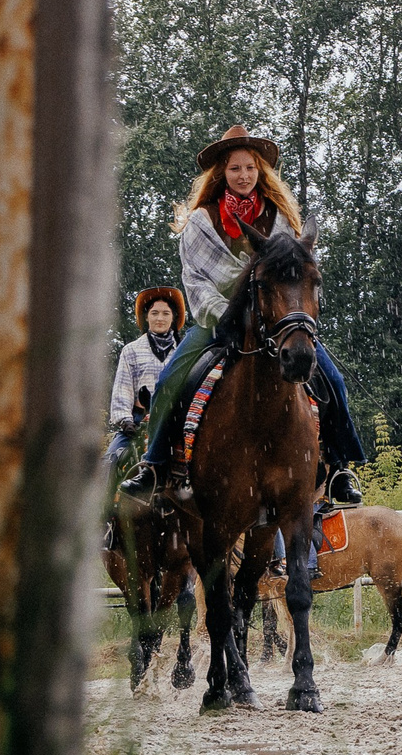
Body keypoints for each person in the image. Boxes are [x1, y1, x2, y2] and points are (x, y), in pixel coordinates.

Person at [121, 125, 364, 506]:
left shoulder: (281, 218)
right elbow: (196, 282)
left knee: (332, 380)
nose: (243, 175)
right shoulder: (200, 222)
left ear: (260, 171)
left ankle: (340, 467)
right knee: (169, 378)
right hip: (215, 320)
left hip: (276, 321)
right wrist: (227, 317)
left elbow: (299, 275)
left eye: (250, 168)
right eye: (235, 169)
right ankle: (154, 465)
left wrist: (293, 313)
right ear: (222, 173)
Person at [109, 285, 184, 462]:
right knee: (110, 461)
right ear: (147, 317)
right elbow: (123, 388)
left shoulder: (183, 352)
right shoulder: (132, 350)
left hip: (177, 423)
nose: (160, 318)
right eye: (154, 313)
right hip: (139, 423)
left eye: (166, 313)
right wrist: (126, 421)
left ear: (173, 318)